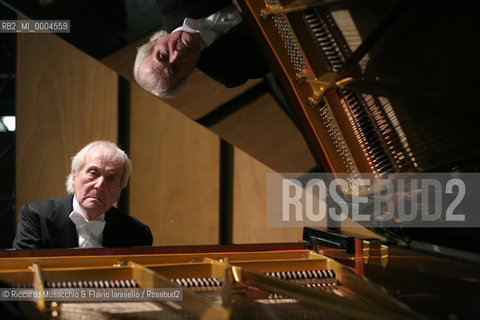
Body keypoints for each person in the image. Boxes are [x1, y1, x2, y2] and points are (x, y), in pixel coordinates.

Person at [13, 141, 153, 249]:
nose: (99, 185)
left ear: (120, 188)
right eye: (93, 173)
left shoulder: (138, 233)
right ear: (74, 176)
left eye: (111, 179)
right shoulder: (36, 217)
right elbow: (23, 277)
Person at [133, 0, 270, 98]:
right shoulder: (231, 73)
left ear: (155, 41)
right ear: (187, 75)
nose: (176, 55)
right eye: (176, 69)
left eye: (162, 56)